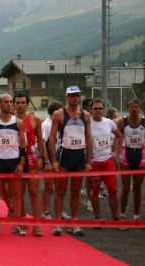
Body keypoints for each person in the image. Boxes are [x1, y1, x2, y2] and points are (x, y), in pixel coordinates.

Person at [48, 86, 93, 236]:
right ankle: (58, 223)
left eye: (77, 95)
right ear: (66, 97)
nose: (75, 98)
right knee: (60, 190)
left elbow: (89, 138)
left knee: (75, 191)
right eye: (72, 95)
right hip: (64, 154)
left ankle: (74, 222)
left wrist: (89, 161)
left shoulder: (86, 115)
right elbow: (52, 138)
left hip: (80, 154)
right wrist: (53, 160)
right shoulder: (58, 114)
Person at [0, 94, 26, 235]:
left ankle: (17, 224)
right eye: (6, 102)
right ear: (0, 104)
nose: (9, 104)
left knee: (17, 193)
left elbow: (23, 144)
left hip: (13, 161)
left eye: (10, 102)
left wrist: (21, 162)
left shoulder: (18, 122)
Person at [13, 92, 43, 236]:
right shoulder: (10, 120)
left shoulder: (35, 119)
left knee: (34, 192)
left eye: (22, 103)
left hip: (31, 159)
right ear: (13, 104)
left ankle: (37, 224)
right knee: (18, 192)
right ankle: (21, 220)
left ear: (27, 104)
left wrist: (42, 158)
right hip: (15, 159)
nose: (20, 106)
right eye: (17, 103)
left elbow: (41, 140)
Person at [89, 98, 122, 222]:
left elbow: (119, 136)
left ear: (103, 110)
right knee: (95, 190)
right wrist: (87, 155)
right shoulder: (87, 123)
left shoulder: (109, 122)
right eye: (95, 108)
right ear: (91, 110)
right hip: (94, 162)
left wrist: (116, 152)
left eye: (100, 108)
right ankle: (97, 218)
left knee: (112, 189)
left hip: (108, 160)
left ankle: (116, 218)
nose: (98, 110)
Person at [116, 98, 145, 225]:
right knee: (125, 187)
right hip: (125, 155)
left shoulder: (144, 121)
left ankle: (136, 216)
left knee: (138, 188)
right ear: (128, 108)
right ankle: (122, 215)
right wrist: (115, 154)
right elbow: (117, 138)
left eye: (136, 107)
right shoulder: (122, 122)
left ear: (140, 108)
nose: (134, 109)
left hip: (141, 156)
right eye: (131, 107)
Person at [41, 101, 64, 219]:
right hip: (50, 160)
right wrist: (47, 161)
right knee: (48, 186)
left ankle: (59, 211)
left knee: (59, 187)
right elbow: (42, 143)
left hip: (59, 158)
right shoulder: (46, 124)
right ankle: (45, 211)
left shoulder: (58, 123)